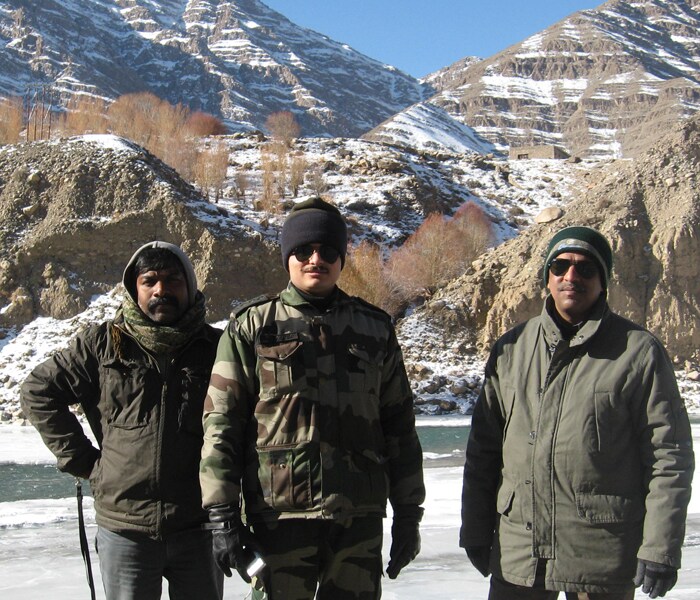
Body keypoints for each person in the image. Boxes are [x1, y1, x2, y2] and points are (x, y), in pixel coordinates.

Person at [200, 196, 425, 599]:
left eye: (327, 250)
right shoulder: (252, 328)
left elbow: (399, 429)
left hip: (358, 521)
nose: (315, 259)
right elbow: (222, 425)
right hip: (280, 521)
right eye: (303, 250)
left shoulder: (374, 330)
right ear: (288, 256)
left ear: (340, 258)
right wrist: (223, 517)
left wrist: (409, 514)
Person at [460, 225, 694, 600]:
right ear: (547, 278)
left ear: (603, 282)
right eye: (560, 266)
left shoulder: (638, 353)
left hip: (601, 558)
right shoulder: (512, 349)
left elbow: (670, 457)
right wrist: (474, 528)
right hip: (519, 553)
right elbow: (484, 452)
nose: (571, 276)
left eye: (586, 269)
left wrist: (660, 547)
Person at [21, 241, 223, 600]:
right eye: (150, 281)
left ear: (189, 285)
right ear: (135, 289)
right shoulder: (102, 344)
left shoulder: (217, 348)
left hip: (198, 525)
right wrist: (85, 462)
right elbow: (38, 390)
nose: (161, 289)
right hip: (125, 528)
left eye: (173, 279)